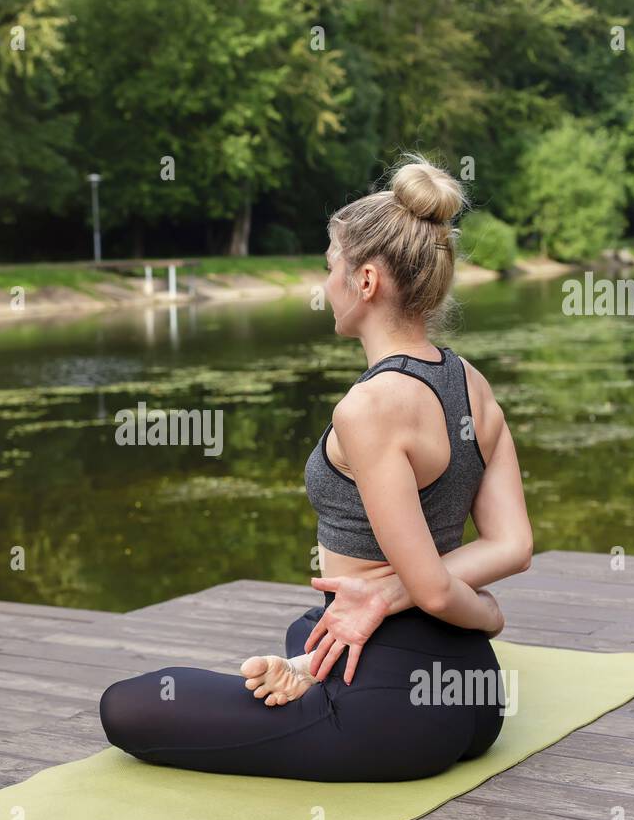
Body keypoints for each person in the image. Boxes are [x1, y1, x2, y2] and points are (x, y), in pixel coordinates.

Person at [99, 154, 534, 782]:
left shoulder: (370, 407)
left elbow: (436, 592)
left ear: (364, 282)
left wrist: (469, 608)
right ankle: (307, 673)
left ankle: (314, 684)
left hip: (392, 714)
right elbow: (514, 545)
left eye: (329, 266)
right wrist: (452, 607)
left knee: (129, 705)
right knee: (309, 628)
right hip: (473, 696)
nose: (323, 282)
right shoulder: (471, 385)